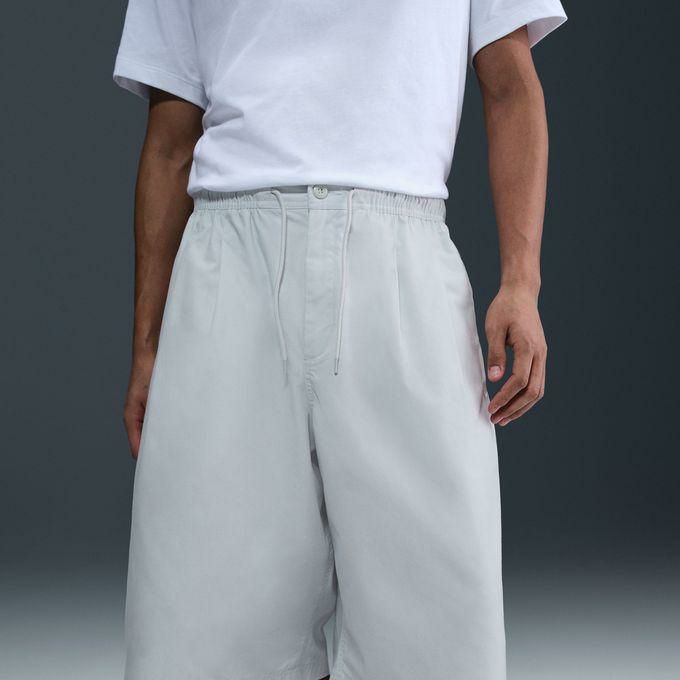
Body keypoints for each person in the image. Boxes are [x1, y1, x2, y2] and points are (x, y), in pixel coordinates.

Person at [114, 1, 566, 678]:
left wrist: (521, 284)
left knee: (441, 636)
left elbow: (510, 85)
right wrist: (148, 347)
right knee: (199, 635)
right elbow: (171, 138)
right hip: (228, 265)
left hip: (401, 256)